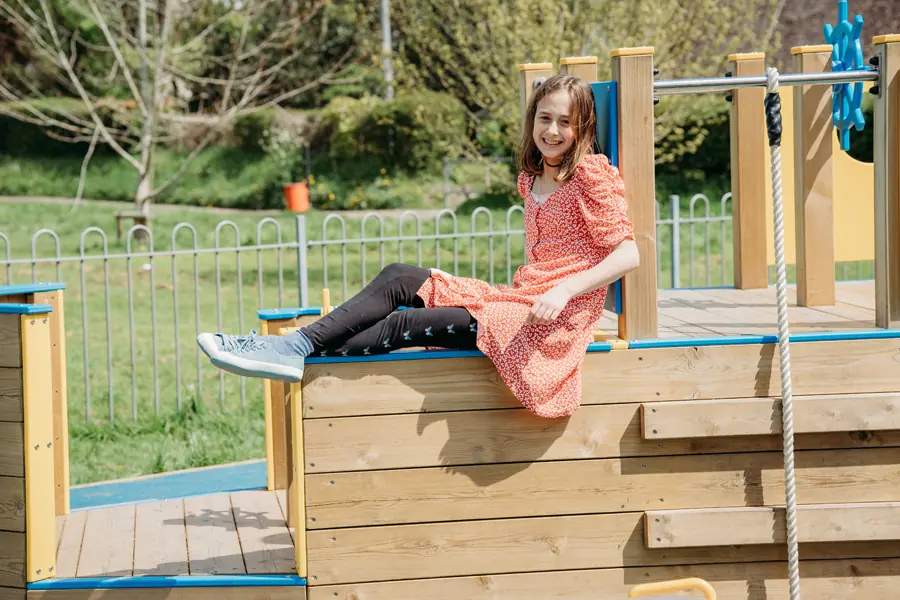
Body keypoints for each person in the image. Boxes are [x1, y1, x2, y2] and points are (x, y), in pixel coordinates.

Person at [198, 73, 640, 419]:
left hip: (553, 317)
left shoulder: (590, 175)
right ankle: (291, 348)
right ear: (533, 120)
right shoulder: (532, 177)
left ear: (582, 126)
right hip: (520, 298)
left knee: (405, 321)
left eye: (565, 121)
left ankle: (288, 349)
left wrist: (564, 289)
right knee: (399, 276)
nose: (553, 130)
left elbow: (628, 253)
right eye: (545, 118)